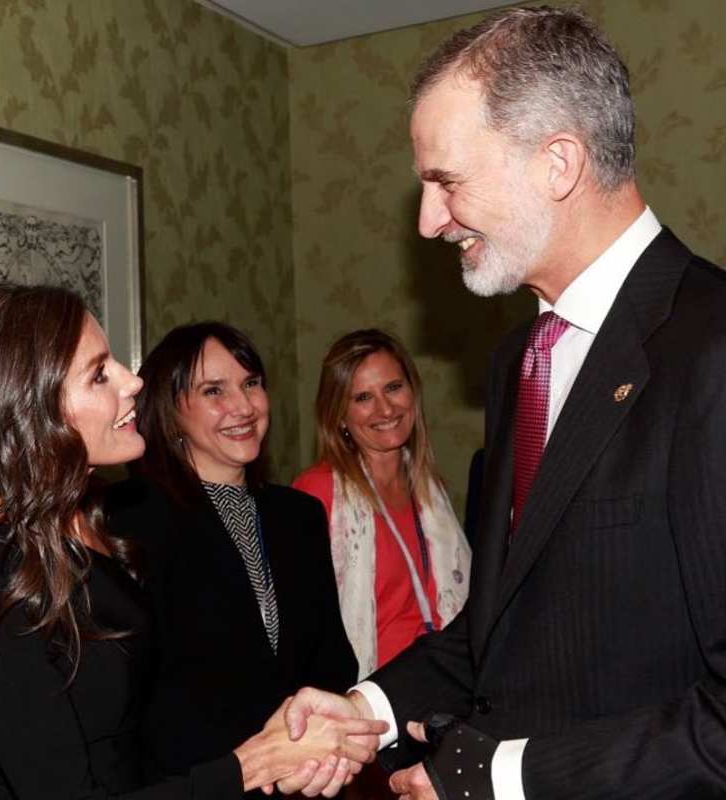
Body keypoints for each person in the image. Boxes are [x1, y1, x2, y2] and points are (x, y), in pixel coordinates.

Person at [274, 6, 726, 800]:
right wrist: (365, 709)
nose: (427, 220)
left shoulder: (712, 349)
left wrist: (499, 774)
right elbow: (508, 622)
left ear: (558, 163)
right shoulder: (521, 358)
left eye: (446, 180)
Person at [0, 285, 382, 799]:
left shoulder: (77, 532)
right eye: (99, 373)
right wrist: (253, 763)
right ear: (31, 408)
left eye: (251, 383)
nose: (133, 381)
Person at [106, 322, 360, 795]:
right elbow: (129, 696)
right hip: (189, 784)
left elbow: (332, 663)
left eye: (251, 384)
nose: (243, 407)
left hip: (301, 783)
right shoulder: (128, 521)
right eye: (213, 391)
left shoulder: (299, 515)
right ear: (171, 408)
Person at [293, 329, 470, 678]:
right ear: (339, 416)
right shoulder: (316, 493)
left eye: (393, 387)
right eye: (362, 397)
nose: (386, 409)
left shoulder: (430, 489)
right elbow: (300, 629)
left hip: (444, 686)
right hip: (367, 699)